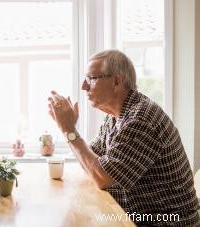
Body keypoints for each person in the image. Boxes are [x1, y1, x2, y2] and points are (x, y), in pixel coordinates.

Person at [48, 49, 200, 226]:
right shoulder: (116, 115)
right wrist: (69, 129)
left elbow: (101, 177)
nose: (83, 86)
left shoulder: (141, 119)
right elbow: (92, 163)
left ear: (116, 81)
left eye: (91, 78)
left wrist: (69, 129)